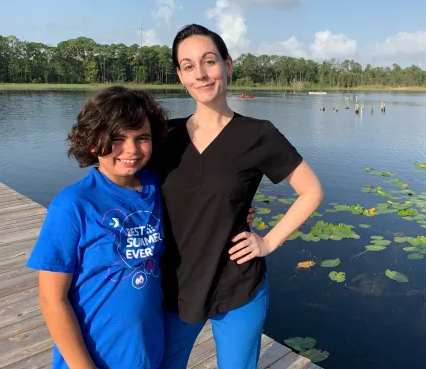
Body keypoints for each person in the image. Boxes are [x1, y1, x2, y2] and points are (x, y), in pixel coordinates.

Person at [157, 24, 324, 369]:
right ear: (180, 75)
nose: (201, 74)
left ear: (228, 65)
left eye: (209, 61)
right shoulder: (164, 136)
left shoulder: (258, 134)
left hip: (238, 287)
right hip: (176, 286)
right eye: (188, 66)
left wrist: (269, 242)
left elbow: (311, 191)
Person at [26, 86, 169, 369]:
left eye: (142, 138)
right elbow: (51, 299)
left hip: (148, 353)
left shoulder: (158, 187)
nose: (131, 149)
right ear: (93, 143)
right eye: (117, 138)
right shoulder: (73, 205)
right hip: (94, 358)